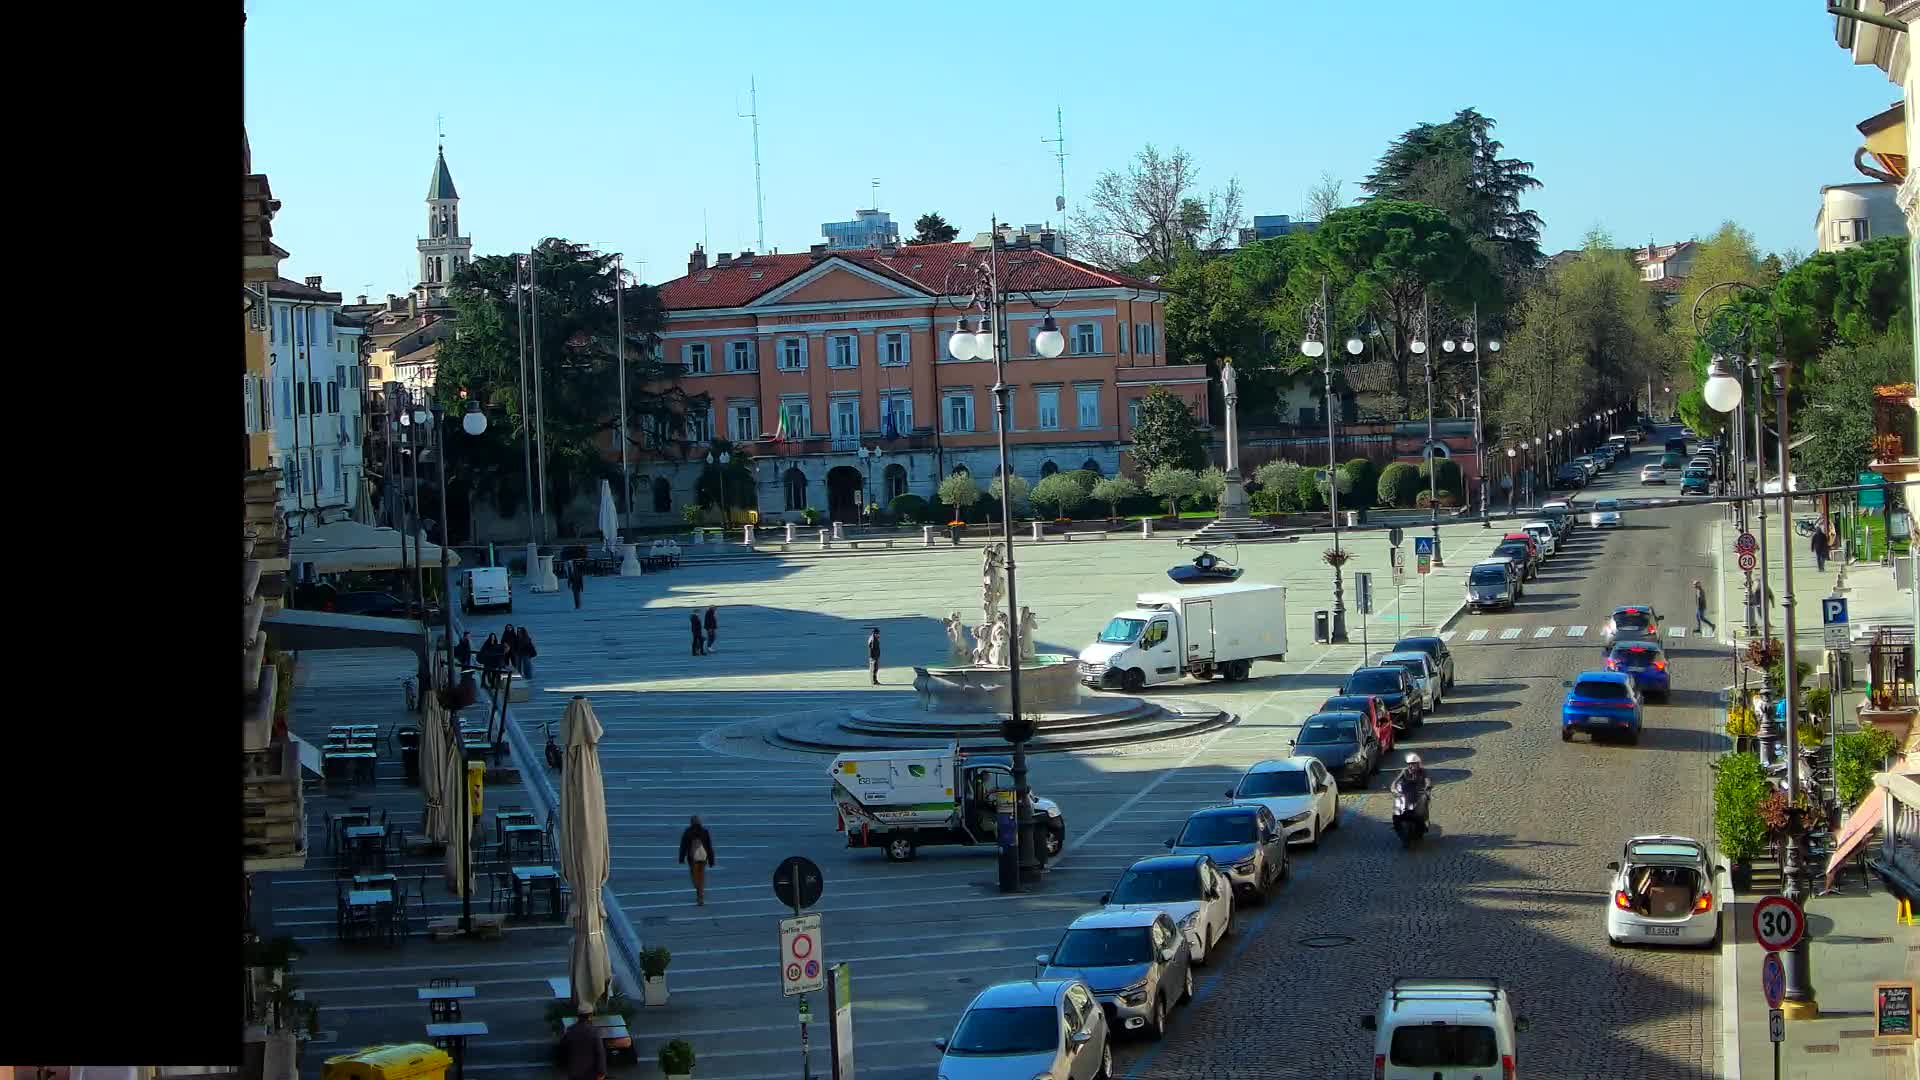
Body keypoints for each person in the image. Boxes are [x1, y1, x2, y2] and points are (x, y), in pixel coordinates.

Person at [559, 1003, 608, 1080]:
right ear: (590, 1016)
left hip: (574, 1071)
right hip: (590, 1072)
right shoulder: (594, 1031)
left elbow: (563, 1048)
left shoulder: (570, 1030)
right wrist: (602, 1072)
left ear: (578, 1016)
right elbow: (600, 1053)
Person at [678, 815, 715, 905]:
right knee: (701, 877)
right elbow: (709, 847)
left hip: (692, 859)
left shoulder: (688, 831)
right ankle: (700, 895)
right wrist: (711, 860)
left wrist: (681, 858)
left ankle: (698, 892)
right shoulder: (704, 831)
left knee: (694, 877)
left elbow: (683, 846)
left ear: (691, 822)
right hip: (703, 858)